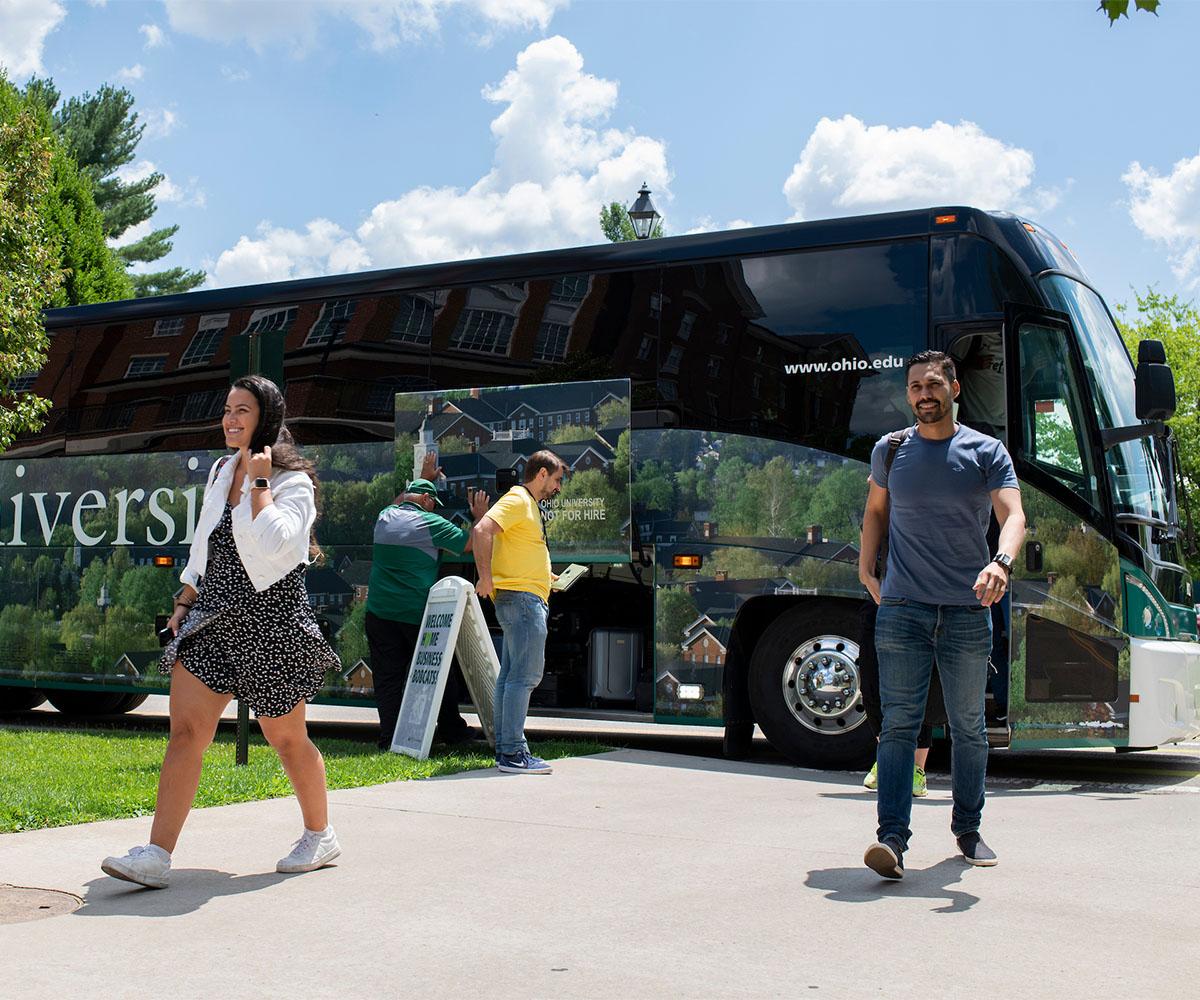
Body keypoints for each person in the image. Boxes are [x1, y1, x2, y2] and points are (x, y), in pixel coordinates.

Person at [101, 375, 341, 889]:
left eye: (242, 411)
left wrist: (259, 484)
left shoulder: (292, 483)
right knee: (186, 730)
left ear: (266, 420)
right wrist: (185, 599)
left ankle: (319, 835)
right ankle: (156, 854)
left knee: (286, 737)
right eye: (227, 410)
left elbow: (278, 544)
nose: (230, 419)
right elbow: (204, 544)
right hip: (213, 617)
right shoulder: (219, 469)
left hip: (271, 620)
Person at [859, 350, 1025, 879]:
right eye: (914, 387)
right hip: (903, 607)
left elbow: (1014, 514)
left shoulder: (985, 450)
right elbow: (875, 513)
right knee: (898, 726)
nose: (923, 395)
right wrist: (867, 572)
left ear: (954, 388)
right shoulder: (890, 450)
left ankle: (968, 829)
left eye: (932, 385)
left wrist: (1001, 561)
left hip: (967, 610)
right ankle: (891, 840)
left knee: (968, 727)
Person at [366, 453, 489, 750]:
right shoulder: (432, 523)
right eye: (434, 502)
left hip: (379, 613)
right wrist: (480, 517)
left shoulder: (384, 517)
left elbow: (400, 500)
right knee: (436, 671)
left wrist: (422, 476)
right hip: (415, 613)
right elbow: (470, 543)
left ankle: (390, 738)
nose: (436, 507)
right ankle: (452, 732)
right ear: (427, 501)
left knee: (388, 679)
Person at [472, 450, 564, 775]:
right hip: (522, 602)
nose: (558, 487)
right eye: (556, 480)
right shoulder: (518, 500)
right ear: (541, 474)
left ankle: (505, 751)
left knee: (510, 677)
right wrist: (484, 577)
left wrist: (546, 576)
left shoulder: (528, 506)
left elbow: (517, 548)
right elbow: (482, 530)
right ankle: (513, 754)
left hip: (521, 597)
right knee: (524, 677)